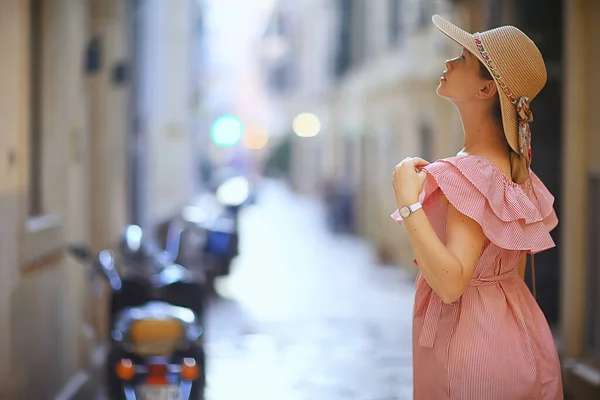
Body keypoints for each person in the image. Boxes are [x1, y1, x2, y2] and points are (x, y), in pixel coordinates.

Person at [390, 15, 563, 399]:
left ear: (486, 88)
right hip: (517, 336)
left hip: (471, 348)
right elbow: (512, 271)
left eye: (463, 59)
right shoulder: (517, 171)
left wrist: (407, 202)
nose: (449, 63)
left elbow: (451, 283)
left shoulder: (467, 174)